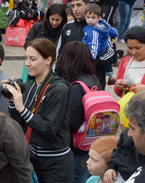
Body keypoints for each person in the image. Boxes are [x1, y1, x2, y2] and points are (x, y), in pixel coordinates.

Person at [5, 38, 74, 182]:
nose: (27, 63)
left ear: (48, 60)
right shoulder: (30, 85)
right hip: (32, 157)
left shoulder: (59, 89)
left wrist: (22, 109)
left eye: (33, 59)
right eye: (26, 58)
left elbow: (49, 130)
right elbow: (19, 122)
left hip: (55, 162)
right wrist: (13, 101)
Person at [58, 41, 102, 183]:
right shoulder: (94, 80)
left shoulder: (77, 88)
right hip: (91, 143)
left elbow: (72, 123)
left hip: (77, 148)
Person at [57, 0, 116, 88]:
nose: (75, 9)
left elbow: (112, 54)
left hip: (93, 82)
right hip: (69, 82)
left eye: (79, 5)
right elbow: (59, 54)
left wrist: (90, 62)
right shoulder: (67, 27)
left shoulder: (100, 28)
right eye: (73, 6)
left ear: (88, 6)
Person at [82, 4, 119, 87]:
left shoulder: (94, 31)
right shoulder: (102, 24)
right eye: (88, 17)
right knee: (106, 65)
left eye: (93, 18)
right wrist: (115, 34)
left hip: (100, 51)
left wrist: (91, 59)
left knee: (105, 62)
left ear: (98, 18)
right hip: (104, 47)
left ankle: (112, 77)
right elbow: (109, 28)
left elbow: (94, 46)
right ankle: (111, 77)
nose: (90, 20)